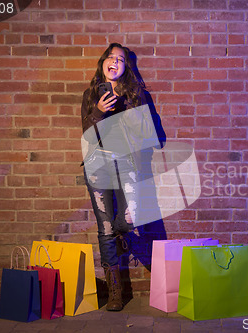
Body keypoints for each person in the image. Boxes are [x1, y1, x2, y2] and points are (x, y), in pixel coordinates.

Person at [80, 43, 165, 311]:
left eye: (121, 59)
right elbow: (87, 136)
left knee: (127, 220)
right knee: (104, 229)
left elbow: (154, 138)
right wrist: (98, 112)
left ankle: (122, 234)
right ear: (103, 62)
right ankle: (115, 291)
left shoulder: (135, 94)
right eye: (111, 57)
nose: (115, 61)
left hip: (128, 166)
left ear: (126, 67)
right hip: (98, 166)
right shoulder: (91, 95)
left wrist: (132, 114)